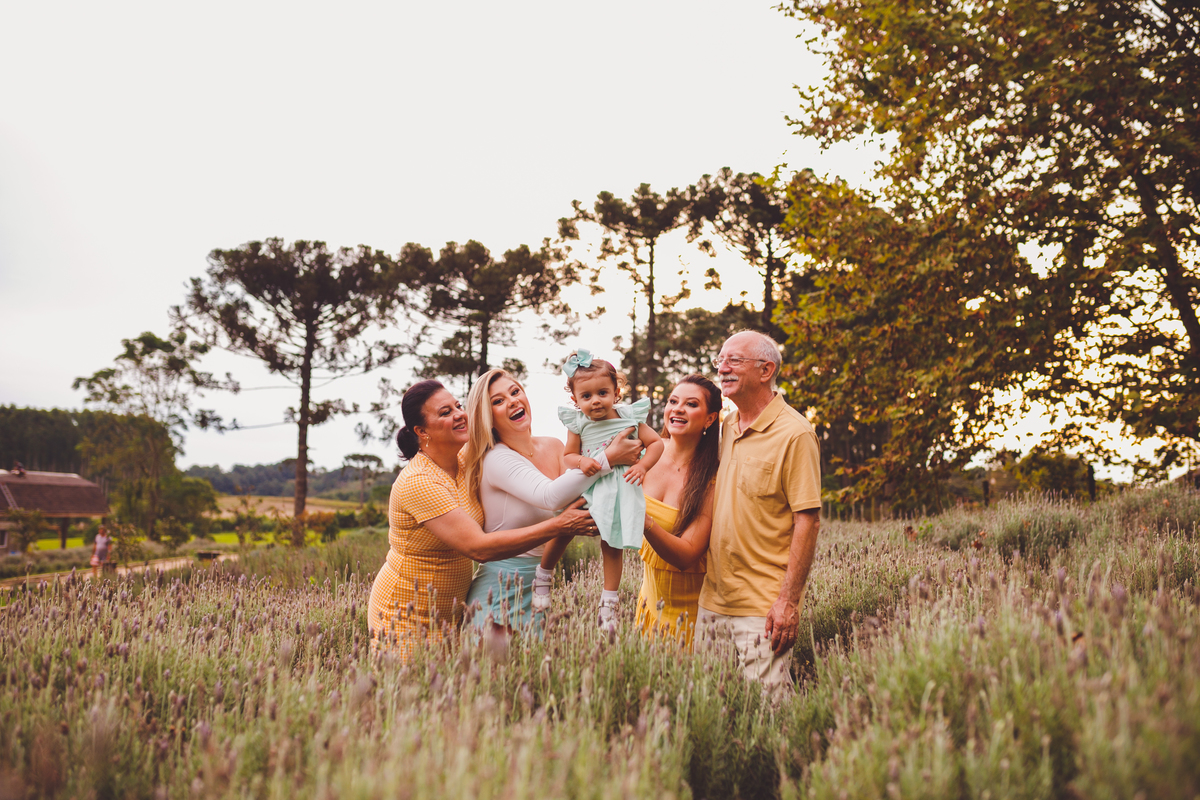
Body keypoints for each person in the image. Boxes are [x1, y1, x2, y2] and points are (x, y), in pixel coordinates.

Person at [367, 380, 601, 662]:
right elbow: (478, 548)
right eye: (445, 413)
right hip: (406, 612)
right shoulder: (419, 481)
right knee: (408, 685)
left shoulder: (465, 459)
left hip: (451, 610)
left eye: (458, 406)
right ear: (421, 431)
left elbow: (507, 442)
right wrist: (559, 525)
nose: (459, 414)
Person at [461, 368, 643, 633]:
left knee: (536, 661)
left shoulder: (554, 446)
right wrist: (609, 458)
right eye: (498, 401)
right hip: (501, 589)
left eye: (515, 392)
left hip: (543, 587)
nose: (512, 401)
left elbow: (578, 496)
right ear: (487, 417)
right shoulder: (496, 459)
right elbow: (550, 496)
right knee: (494, 661)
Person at [697, 331, 821, 691]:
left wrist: (788, 602)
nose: (722, 368)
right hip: (712, 600)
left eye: (734, 360)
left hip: (763, 608)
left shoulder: (795, 434)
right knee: (707, 707)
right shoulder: (725, 427)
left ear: (766, 370)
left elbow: (808, 520)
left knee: (770, 712)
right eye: (720, 360)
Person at [542, 350, 664, 631]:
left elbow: (656, 443)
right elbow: (568, 456)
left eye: (602, 393)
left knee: (613, 542)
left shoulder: (629, 416)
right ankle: (544, 574)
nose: (595, 401)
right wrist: (581, 461)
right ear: (575, 400)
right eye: (586, 396)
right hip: (588, 484)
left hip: (618, 488)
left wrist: (643, 466)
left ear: (616, 392)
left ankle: (609, 602)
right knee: (565, 527)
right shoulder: (578, 423)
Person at [635, 375, 722, 647]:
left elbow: (687, 554)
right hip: (649, 604)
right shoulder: (643, 454)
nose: (678, 409)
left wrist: (643, 521)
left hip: (692, 617)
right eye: (673, 401)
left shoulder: (713, 476)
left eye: (691, 404)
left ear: (710, 419)